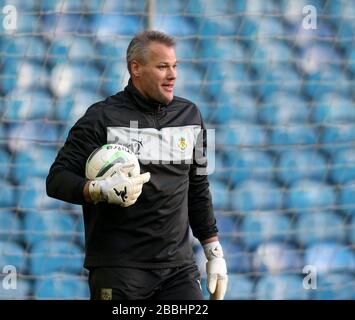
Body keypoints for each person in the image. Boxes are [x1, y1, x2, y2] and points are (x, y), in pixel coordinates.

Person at [46, 30, 228, 300]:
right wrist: (97, 189)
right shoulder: (101, 117)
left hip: (178, 270)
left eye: (175, 66)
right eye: (162, 66)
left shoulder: (191, 116)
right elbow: (56, 180)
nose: (173, 75)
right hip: (120, 269)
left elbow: (198, 188)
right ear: (136, 68)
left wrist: (213, 251)